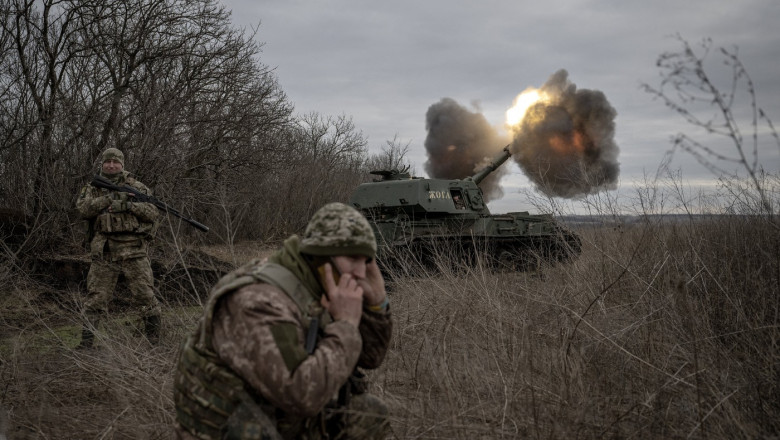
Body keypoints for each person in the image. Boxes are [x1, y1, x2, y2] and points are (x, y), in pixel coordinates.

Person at [173, 202, 393, 440]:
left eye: (366, 260)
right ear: (321, 257)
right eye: (352, 258)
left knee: (368, 413)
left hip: (278, 419)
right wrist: (347, 325)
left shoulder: (321, 285)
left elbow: (370, 357)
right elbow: (301, 396)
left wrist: (376, 304)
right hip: (235, 430)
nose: (361, 272)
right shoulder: (258, 301)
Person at [75, 147, 161, 348]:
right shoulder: (92, 188)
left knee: (145, 296)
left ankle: (154, 342)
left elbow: (153, 213)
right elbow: (83, 209)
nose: (111, 165)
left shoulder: (137, 187)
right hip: (104, 250)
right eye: (108, 162)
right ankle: (86, 344)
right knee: (96, 298)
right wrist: (109, 199)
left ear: (122, 164)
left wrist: (129, 206)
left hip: (134, 249)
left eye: (116, 162)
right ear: (102, 164)